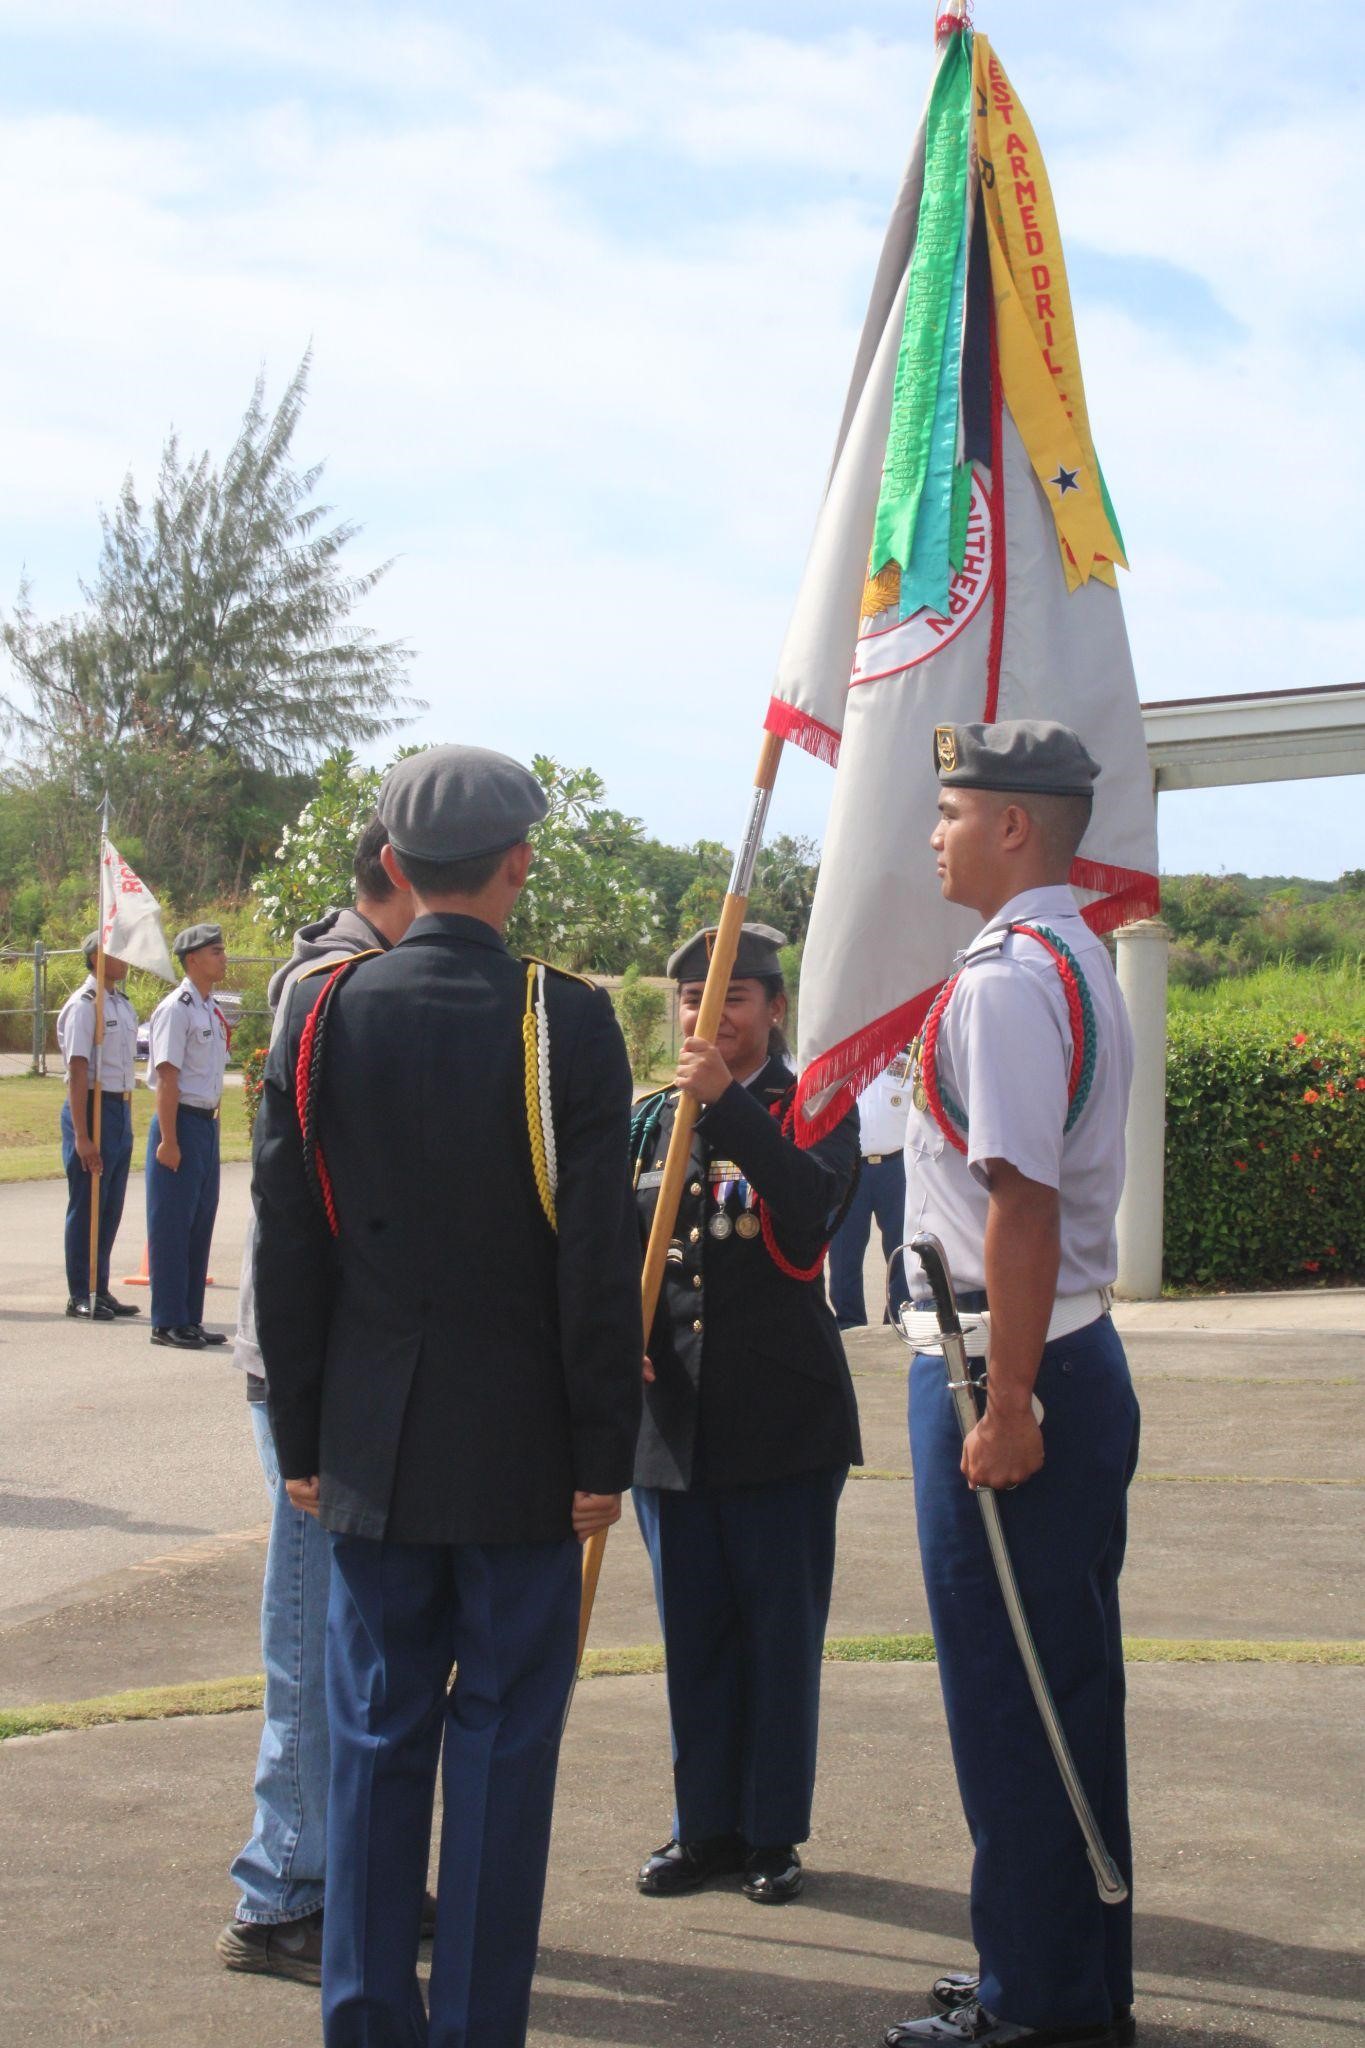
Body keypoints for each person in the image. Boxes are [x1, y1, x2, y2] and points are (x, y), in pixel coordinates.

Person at [252, 743, 643, 2048]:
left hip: (369, 1453)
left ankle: (365, 2023)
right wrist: (606, 1450)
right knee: (500, 1752)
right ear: (518, 867)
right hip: (526, 1457)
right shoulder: (564, 1019)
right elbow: (592, 1264)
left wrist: (302, 1442)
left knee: (370, 1746)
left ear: (396, 870)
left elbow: (287, 1250)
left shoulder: (320, 1012)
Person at [884, 721, 1140, 2048]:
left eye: (946, 811)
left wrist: (1004, 1404)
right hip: (1054, 1355)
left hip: (1009, 1362)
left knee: (1011, 1693)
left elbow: (1020, 1205)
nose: (930, 834)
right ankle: (1057, 1969)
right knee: (1063, 1686)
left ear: (1012, 827)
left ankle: (1035, 2005)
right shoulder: (1067, 951)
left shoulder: (1001, 979)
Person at [217, 815, 418, 1986]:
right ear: (402, 871)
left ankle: (351, 1867)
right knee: (310, 1632)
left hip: (347, 1358)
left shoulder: (350, 975)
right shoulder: (334, 987)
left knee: (355, 1634)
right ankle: (284, 1885)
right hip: (313, 1365)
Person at [631, 922, 862, 1908]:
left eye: (731, 994)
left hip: (780, 1421)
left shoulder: (814, 1107)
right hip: (672, 1423)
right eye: (691, 998)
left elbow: (811, 1212)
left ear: (772, 1006)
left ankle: (772, 1830)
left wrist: (729, 1109)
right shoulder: (647, 1121)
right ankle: (705, 1825)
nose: (709, 1013)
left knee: (776, 1633)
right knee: (696, 1633)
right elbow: (610, 1242)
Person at [144, 923, 230, 1350]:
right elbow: (167, 1077)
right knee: (173, 1225)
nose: (223, 957)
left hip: (205, 1125)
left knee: (199, 1224)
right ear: (192, 958)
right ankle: (167, 1320)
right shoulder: (176, 1009)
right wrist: (169, 1139)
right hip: (179, 1122)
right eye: (215, 951)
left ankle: (189, 1318)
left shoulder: (210, 1008)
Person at [55, 933, 140, 1320]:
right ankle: (80, 1292)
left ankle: (99, 1286)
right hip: (91, 1107)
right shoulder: (84, 1006)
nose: (126, 959)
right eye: (116, 952)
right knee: (87, 1203)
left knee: (109, 1207)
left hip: (117, 1109)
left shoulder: (120, 1004)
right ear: (95, 957)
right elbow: (77, 1069)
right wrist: (83, 1135)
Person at [827, 1051, 914, 1330]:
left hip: (896, 1166)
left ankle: (900, 1317)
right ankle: (850, 1322)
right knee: (844, 1252)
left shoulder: (905, 1062)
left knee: (901, 1247)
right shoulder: (840, 1063)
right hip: (850, 1168)